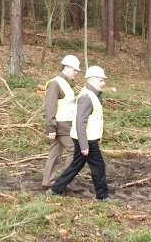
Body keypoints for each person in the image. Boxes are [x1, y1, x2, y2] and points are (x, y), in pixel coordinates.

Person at [47, 65, 113, 201]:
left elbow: (93, 119)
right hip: (86, 140)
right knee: (98, 167)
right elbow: (79, 123)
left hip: (87, 138)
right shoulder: (87, 97)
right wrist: (84, 146)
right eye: (101, 80)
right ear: (93, 80)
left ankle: (55, 189)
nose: (103, 83)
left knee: (76, 165)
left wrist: (98, 136)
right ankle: (103, 196)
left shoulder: (92, 95)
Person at [42, 55, 83, 192]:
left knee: (55, 152)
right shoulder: (56, 83)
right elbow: (50, 107)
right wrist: (51, 128)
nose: (76, 73)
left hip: (65, 124)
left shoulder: (67, 84)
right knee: (75, 150)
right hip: (62, 125)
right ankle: (68, 180)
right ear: (67, 67)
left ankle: (48, 181)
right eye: (75, 70)